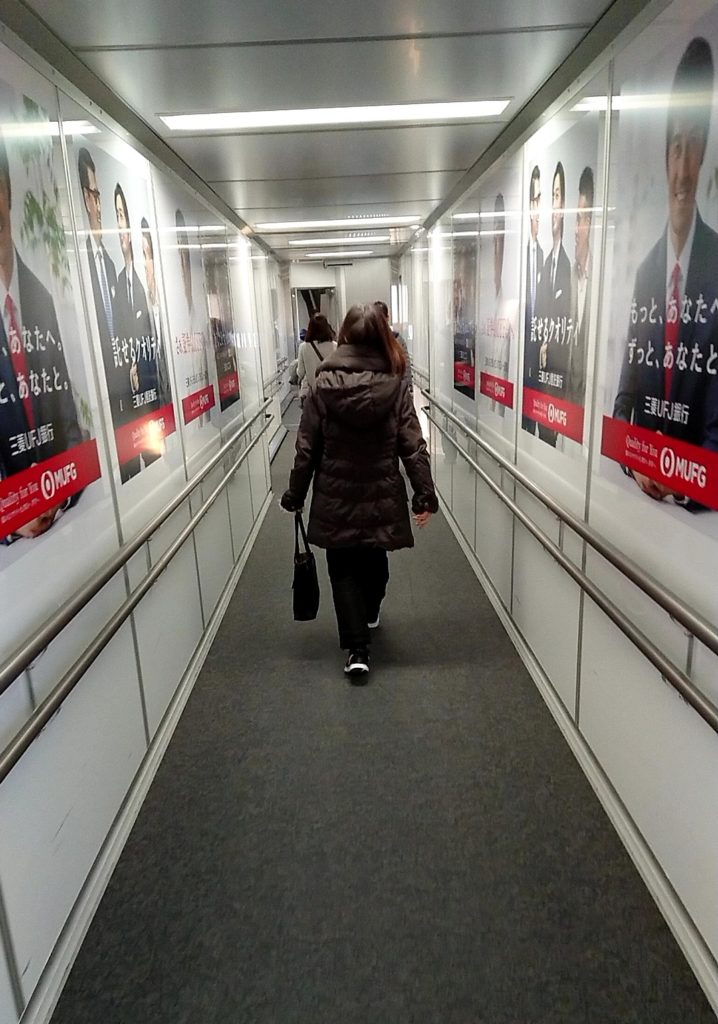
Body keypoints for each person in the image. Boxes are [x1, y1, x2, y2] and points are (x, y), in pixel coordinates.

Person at [281, 303, 438, 680]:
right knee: (375, 559)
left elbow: (306, 447)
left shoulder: (323, 385)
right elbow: (413, 444)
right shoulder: (395, 384)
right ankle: (368, 614)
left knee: (343, 569)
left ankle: (357, 650)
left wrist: (295, 493)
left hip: (335, 495)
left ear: (345, 337)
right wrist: (424, 494)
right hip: (381, 491)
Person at [613, 36, 718, 504]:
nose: (684, 170)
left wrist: (685, 482)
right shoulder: (646, 275)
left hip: (693, 516)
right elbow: (624, 402)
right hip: (640, 499)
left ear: (705, 152)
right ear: (664, 158)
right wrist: (635, 461)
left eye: (694, 144)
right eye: (676, 146)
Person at [0, 131, 83, 540]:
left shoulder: (43, 300)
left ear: (8, 192)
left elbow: (68, 423)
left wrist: (60, 495)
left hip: (67, 525)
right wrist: (11, 519)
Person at [112, 183, 155, 478]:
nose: (120, 227)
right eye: (116, 217)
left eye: (122, 216)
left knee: (152, 460)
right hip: (131, 408)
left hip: (149, 408)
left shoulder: (142, 291)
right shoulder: (118, 284)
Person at [536, 160, 571, 445]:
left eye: (557, 196)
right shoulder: (545, 264)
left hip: (556, 387)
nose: (553, 205)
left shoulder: (568, 269)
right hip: (540, 385)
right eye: (552, 197)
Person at [567, 167, 594, 406]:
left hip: (587, 405)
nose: (576, 230)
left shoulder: (599, 284)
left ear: (591, 223)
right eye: (575, 219)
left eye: (580, 220)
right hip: (566, 403)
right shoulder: (568, 278)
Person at [140, 217, 172, 409]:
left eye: (148, 256)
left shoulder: (168, 308)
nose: (144, 264)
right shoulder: (141, 310)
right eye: (142, 256)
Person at [522, 165, 543, 432]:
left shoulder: (549, 261)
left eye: (541, 200)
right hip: (523, 373)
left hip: (540, 375)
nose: (538, 210)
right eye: (534, 201)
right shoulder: (521, 261)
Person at [296, 312, 335, 405]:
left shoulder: (303, 347)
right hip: (330, 393)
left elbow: (300, 372)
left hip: (312, 395)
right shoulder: (335, 346)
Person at [374, 300, 413, 386]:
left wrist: (408, 388)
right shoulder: (369, 341)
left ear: (387, 318)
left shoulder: (397, 339)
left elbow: (406, 366)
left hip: (396, 388)